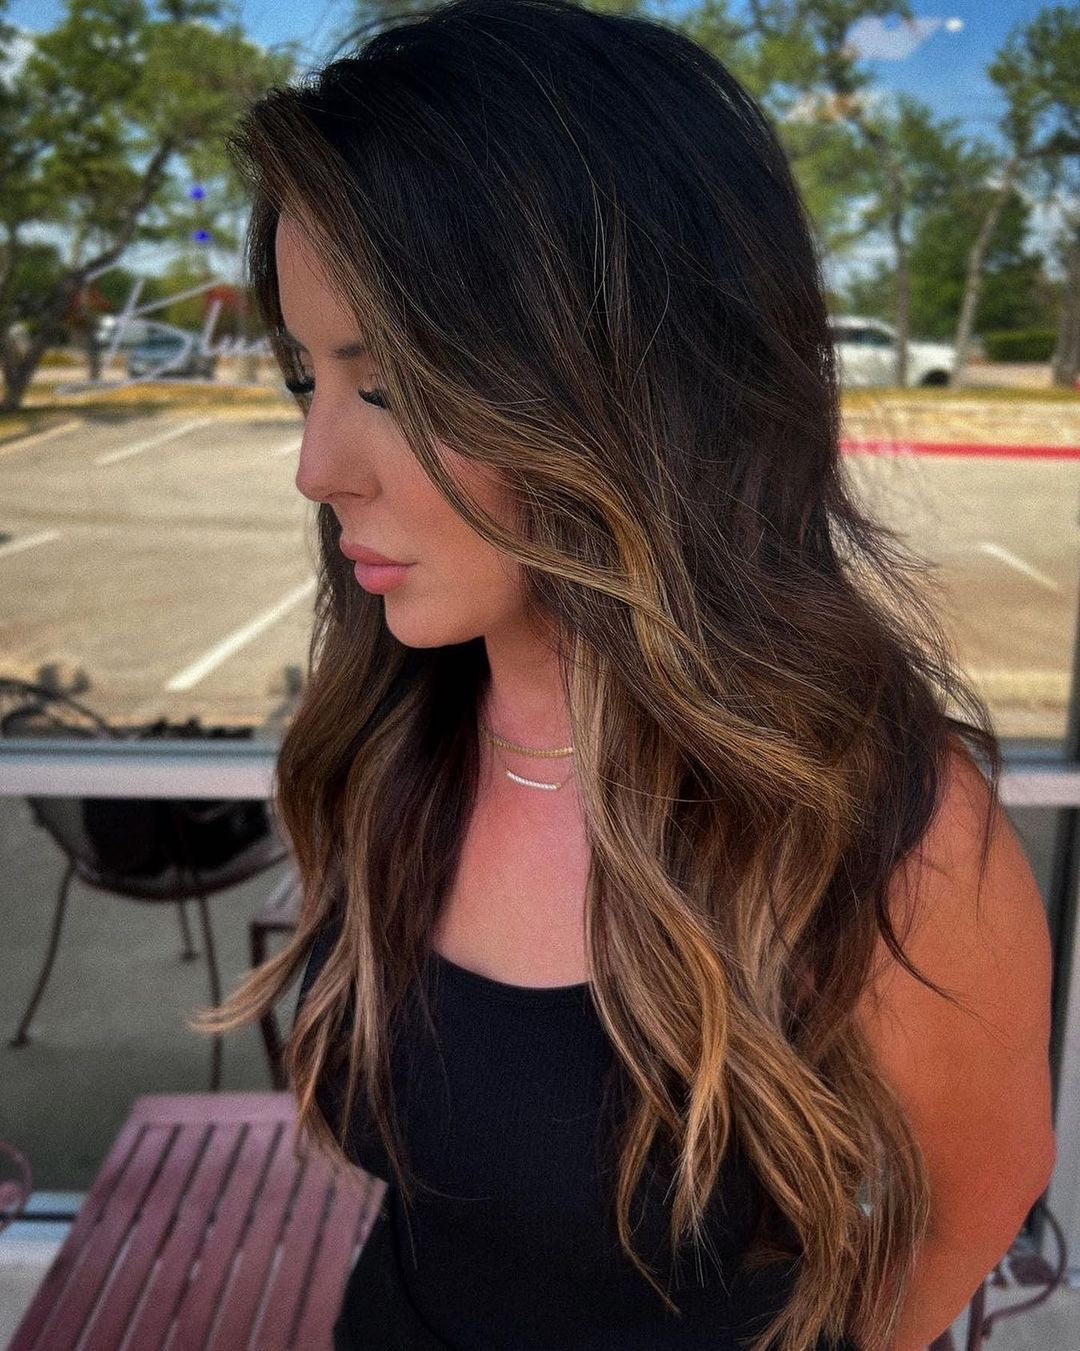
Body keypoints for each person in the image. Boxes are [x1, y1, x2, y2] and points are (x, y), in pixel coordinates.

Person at [191, 2, 1056, 1347]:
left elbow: (980, 1190)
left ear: (633, 383)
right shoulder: (392, 729)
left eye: (390, 383)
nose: (317, 469)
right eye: (308, 379)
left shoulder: (886, 825)